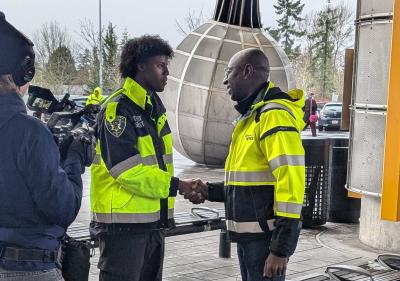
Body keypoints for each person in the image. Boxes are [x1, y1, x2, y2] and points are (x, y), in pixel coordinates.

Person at [89, 35, 203, 281]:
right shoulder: (118, 109)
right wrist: (178, 185)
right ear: (140, 66)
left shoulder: (151, 107)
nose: (167, 72)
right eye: (161, 65)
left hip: (151, 225)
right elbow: (128, 171)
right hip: (122, 231)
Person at [192, 48, 306, 281]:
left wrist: (280, 249)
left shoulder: (273, 116)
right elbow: (250, 183)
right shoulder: (252, 117)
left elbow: (291, 184)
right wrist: (210, 190)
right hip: (250, 240)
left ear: (247, 71)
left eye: (229, 72)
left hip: (266, 242)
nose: (225, 80)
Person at [0, 12, 94, 281]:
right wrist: (73, 160)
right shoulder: (29, 132)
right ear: (22, 72)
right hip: (28, 269)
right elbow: (62, 208)